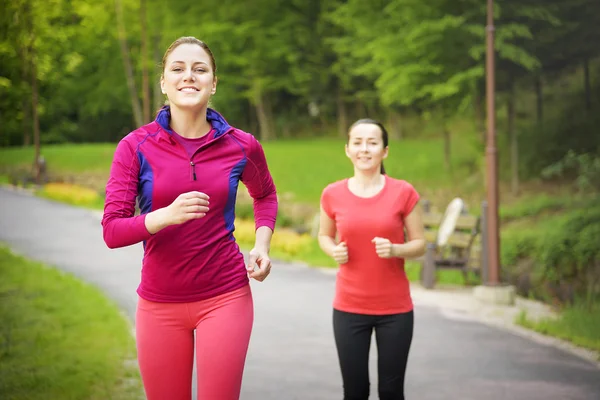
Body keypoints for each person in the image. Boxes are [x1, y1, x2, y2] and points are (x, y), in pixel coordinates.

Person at [101, 36, 278, 400]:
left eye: (200, 70)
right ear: (164, 84)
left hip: (226, 296)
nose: (189, 77)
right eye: (177, 69)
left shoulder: (241, 144)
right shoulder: (135, 146)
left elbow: (265, 195)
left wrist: (262, 245)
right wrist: (165, 216)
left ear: (214, 83)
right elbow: (113, 231)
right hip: (159, 303)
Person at [318, 119, 425, 400]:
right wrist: (333, 251)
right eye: (358, 142)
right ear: (348, 149)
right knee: (355, 392)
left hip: (395, 310)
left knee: (391, 391)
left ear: (385, 151)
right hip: (349, 307)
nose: (364, 149)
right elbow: (323, 236)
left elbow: (420, 244)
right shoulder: (332, 193)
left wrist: (396, 250)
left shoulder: (403, 192)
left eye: (372, 142)